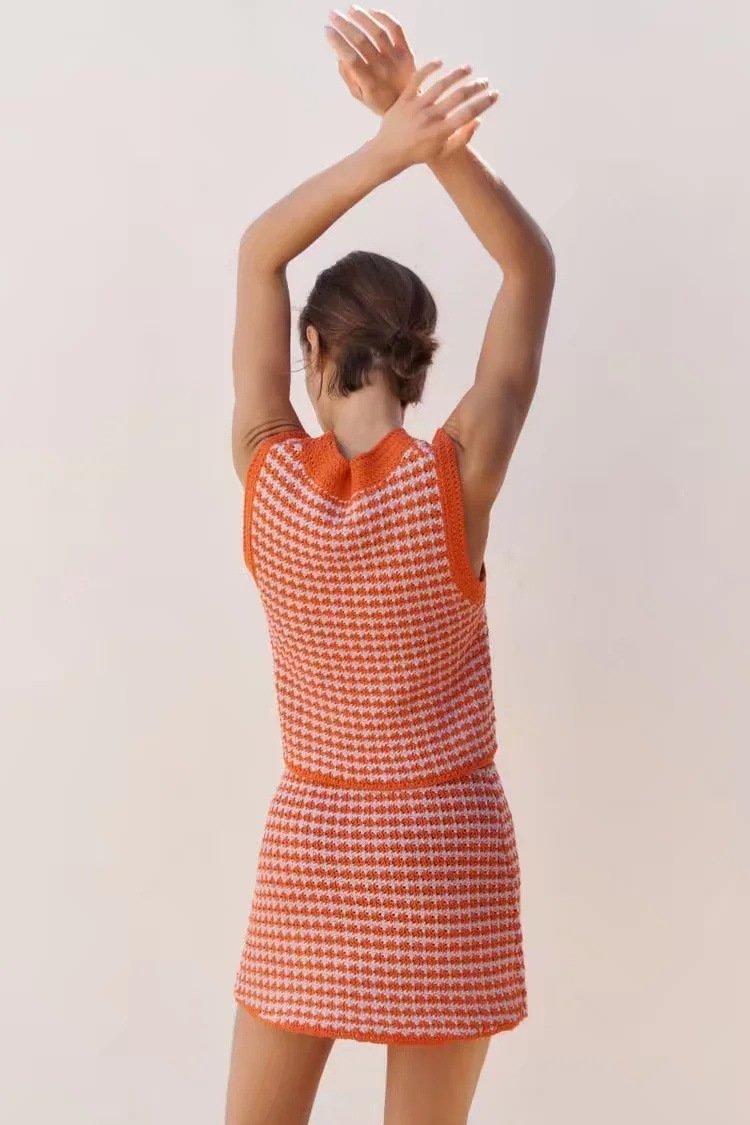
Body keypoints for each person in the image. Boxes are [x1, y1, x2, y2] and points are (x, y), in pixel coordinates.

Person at [224, 10, 555, 1125]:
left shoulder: (266, 474)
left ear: (312, 350)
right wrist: (436, 142)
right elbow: (529, 268)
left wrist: (386, 147)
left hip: (314, 848)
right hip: (446, 850)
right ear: (418, 356)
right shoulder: (459, 481)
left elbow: (259, 252)